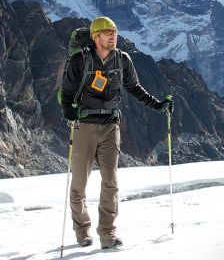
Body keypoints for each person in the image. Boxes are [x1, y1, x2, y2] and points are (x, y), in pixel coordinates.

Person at [61, 16, 173, 249]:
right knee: (79, 183)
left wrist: (157, 105)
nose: (113, 36)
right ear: (95, 36)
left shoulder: (123, 60)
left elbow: (134, 88)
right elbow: (67, 90)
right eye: (108, 32)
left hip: (112, 126)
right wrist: (68, 113)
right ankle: (82, 230)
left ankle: (107, 233)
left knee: (110, 182)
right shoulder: (80, 60)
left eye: (115, 32)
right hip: (84, 126)